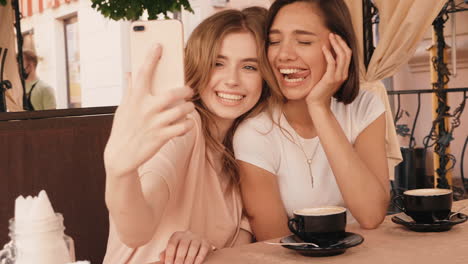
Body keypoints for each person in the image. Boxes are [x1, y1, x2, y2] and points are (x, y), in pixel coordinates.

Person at [103, 7, 272, 264]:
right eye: (218, 63)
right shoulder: (184, 125)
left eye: (249, 67)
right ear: (199, 64)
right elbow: (135, 231)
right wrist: (119, 171)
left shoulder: (247, 145)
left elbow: (239, 249)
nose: (232, 80)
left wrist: (208, 249)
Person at [233, 0, 390, 241]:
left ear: (340, 48)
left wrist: (318, 107)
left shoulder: (365, 107)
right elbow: (275, 243)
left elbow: (371, 215)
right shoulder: (254, 133)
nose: (284, 55)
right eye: (274, 42)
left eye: (304, 41)